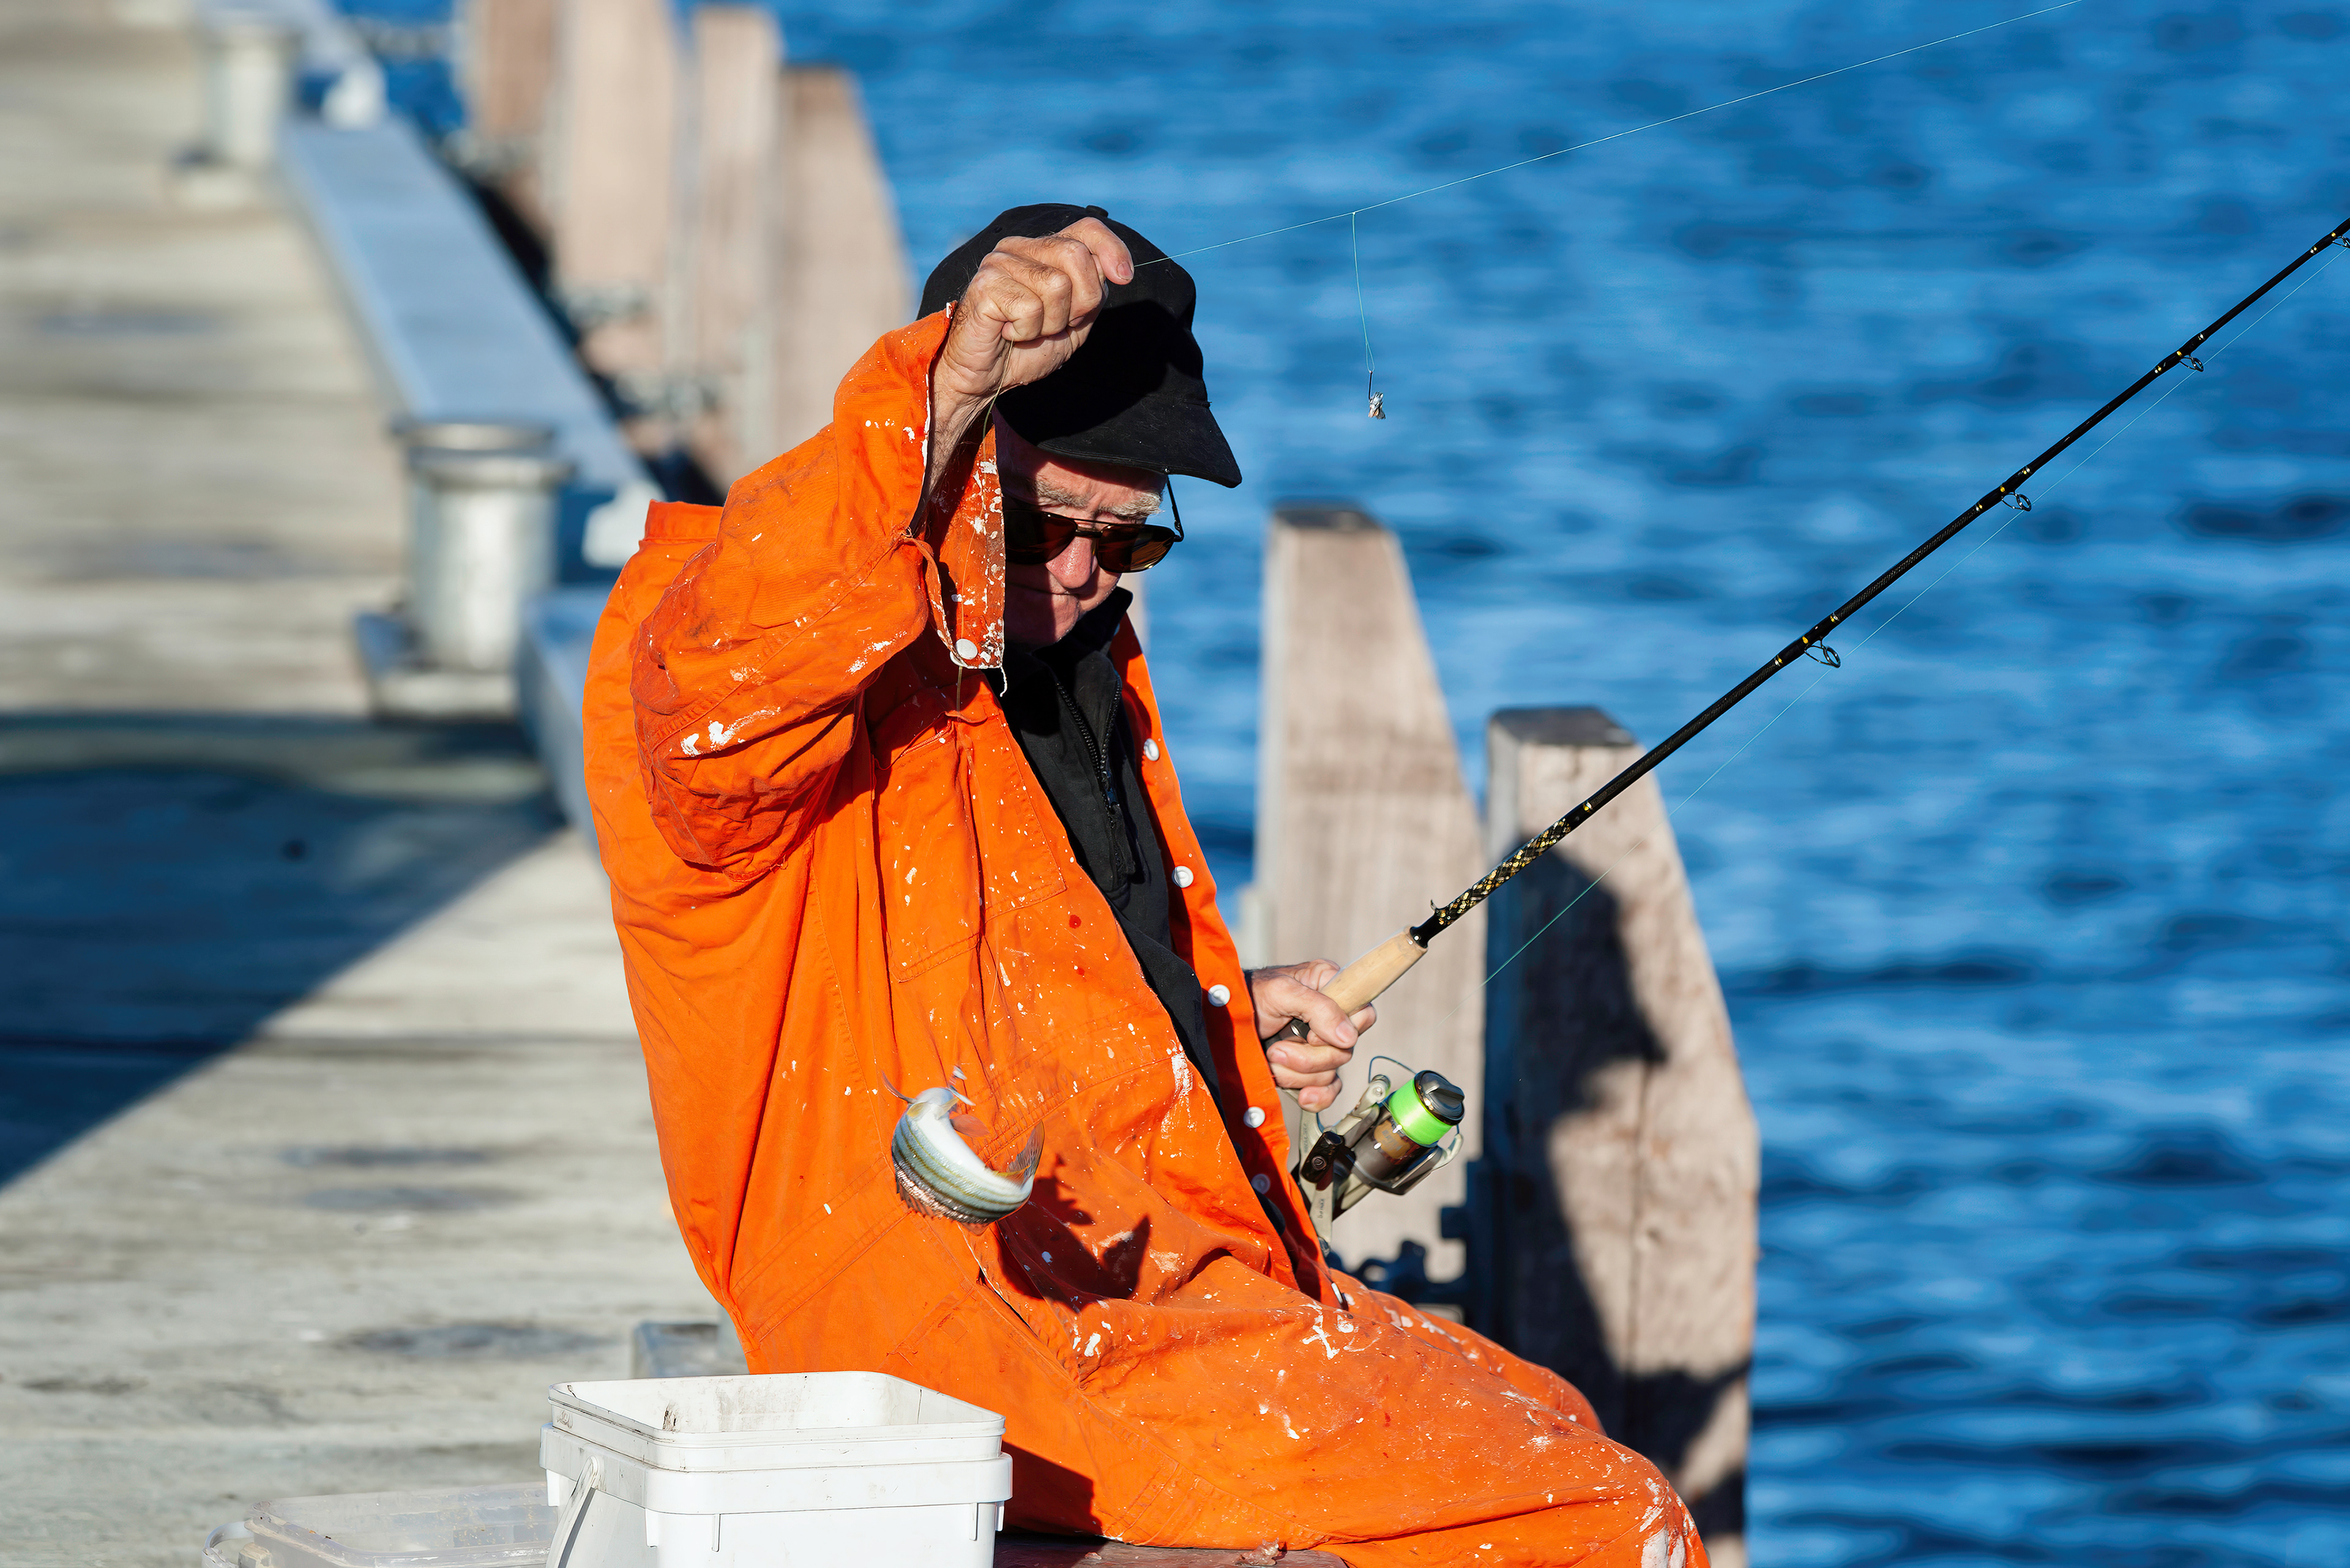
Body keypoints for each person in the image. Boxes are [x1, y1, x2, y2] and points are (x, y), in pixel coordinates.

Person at [582, 203, 1706, 1568]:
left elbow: (1033, 972)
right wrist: (951, 382)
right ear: (962, 466)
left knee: (1556, 1426)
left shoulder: (1069, 657)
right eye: (1050, 525)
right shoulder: (739, 633)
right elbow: (724, 699)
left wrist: (1215, 1012)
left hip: (1152, 1283)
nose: (1081, 576)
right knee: (1594, 1519)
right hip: (964, 1324)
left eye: (1130, 546)